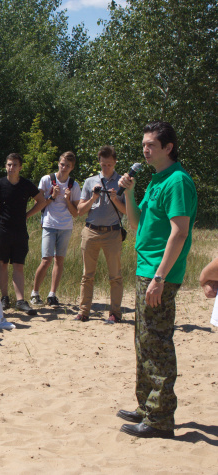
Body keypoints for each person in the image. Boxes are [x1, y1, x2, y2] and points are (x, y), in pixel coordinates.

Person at [116, 121, 197, 439]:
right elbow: (136, 224)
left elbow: (180, 232)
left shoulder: (178, 181)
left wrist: (160, 277)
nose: (145, 150)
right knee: (144, 341)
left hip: (159, 275)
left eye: (151, 145)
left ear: (168, 148)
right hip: (145, 270)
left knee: (158, 345)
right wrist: (131, 192)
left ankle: (161, 419)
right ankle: (146, 406)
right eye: (144, 145)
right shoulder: (155, 180)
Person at [0, 153, 45, 315]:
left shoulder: (26, 185)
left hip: (20, 229)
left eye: (14, 165)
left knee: (19, 264)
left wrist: (27, 215)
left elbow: (42, 201)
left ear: (20, 167)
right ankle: (4, 298)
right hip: (3, 229)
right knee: (3, 263)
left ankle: (20, 300)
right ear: (5, 166)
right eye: (9, 165)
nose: (11, 168)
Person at [75, 145, 126, 322]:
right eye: (103, 164)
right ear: (99, 162)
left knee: (115, 276)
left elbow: (127, 211)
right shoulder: (90, 182)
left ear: (115, 163)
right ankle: (84, 312)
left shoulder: (122, 182)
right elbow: (80, 210)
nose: (106, 168)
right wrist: (93, 198)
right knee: (87, 275)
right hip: (91, 231)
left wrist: (115, 199)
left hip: (112, 233)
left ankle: (115, 313)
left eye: (109, 165)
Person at [30, 152, 81, 307]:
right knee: (46, 260)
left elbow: (76, 213)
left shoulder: (74, 185)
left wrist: (67, 199)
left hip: (66, 226)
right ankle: (35, 293)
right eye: (62, 164)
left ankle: (52, 294)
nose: (64, 167)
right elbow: (38, 203)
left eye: (68, 165)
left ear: (72, 168)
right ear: (58, 163)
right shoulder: (47, 180)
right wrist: (52, 196)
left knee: (59, 260)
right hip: (49, 224)